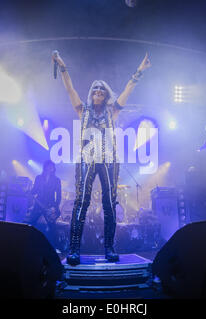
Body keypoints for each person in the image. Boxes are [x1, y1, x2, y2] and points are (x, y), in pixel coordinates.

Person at [52, 51, 151, 265]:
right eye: (94, 91)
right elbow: (69, 88)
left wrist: (139, 71)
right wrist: (62, 66)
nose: (97, 93)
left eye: (101, 91)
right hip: (87, 159)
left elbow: (128, 89)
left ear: (105, 95)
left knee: (109, 203)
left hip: (108, 160)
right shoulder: (82, 110)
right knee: (81, 202)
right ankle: (74, 249)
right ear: (91, 94)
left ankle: (109, 248)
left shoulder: (111, 111)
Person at [27, 160, 62, 249]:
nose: (50, 168)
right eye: (48, 166)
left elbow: (59, 195)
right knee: (31, 223)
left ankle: (56, 247)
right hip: (38, 204)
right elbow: (34, 190)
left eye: (52, 167)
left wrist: (56, 206)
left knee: (52, 227)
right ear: (45, 167)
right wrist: (29, 192)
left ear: (54, 168)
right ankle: (28, 243)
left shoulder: (56, 180)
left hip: (50, 205)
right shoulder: (38, 178)